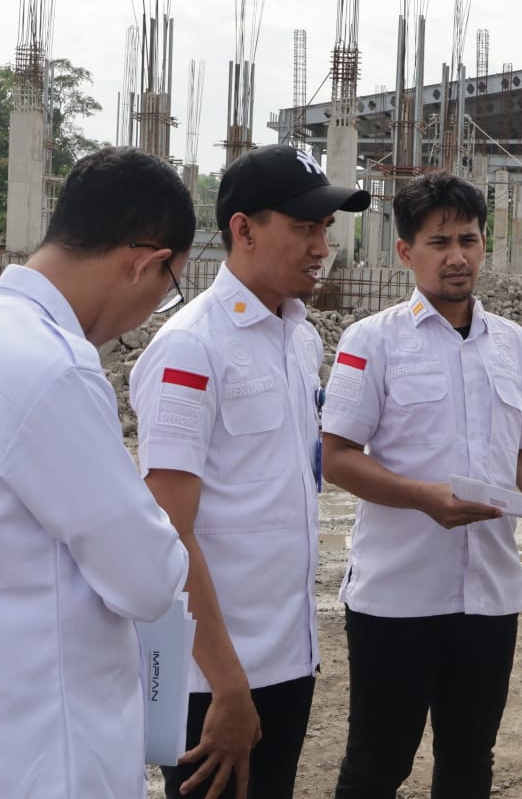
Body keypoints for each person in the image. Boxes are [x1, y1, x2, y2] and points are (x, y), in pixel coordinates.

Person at [0, 146, 195, 798]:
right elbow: (148, 579)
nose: (151, 311)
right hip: (55, 752)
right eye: (167, 291)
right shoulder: (52, 369)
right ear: (145, 262)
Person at [320, 172, 522, 799]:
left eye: (469, 240)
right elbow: (337, 458)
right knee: (377, 765)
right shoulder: (371, 341)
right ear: (406, 251)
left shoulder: (513, 344)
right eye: (439, 242)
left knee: (469, 762)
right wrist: (424, 499)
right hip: (396, 599)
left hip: (489, 597)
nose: (457, 256)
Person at [131, 144, 370, 799]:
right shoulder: (192, 347)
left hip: (287, 659)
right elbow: (167, 534)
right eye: (304, 228)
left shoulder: (299, 338)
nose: (321, 247)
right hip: (211, 677)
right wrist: (227, 684)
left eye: (326, 228)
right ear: (243, 229)